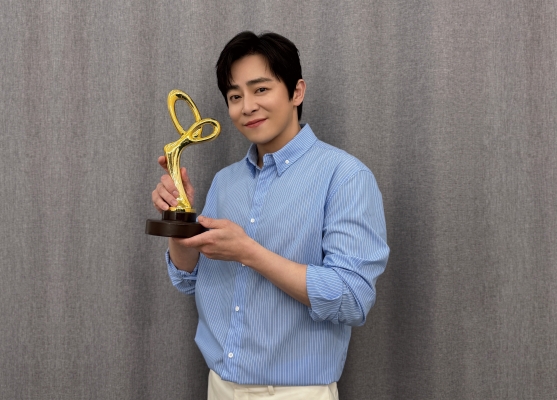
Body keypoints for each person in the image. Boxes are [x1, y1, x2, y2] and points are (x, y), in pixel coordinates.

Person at [151, 31, 389, 400]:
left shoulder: (345, 176)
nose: (247, 106)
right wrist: (179, 225)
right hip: (219, 386)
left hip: (296, 392)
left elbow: (351, 299)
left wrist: (249, 252)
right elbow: (189, 279)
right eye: (235, 96)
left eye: (260, 89)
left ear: (297, 92)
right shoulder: (225, 181)